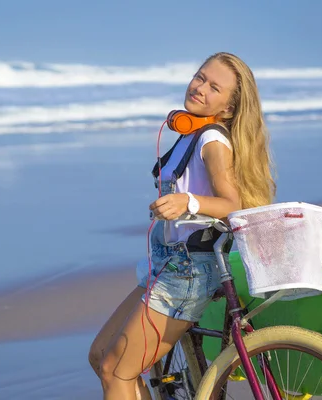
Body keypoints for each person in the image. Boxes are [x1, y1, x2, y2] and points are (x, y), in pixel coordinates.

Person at [88, 51, 276, 399]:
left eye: (214, 87)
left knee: (116, 372)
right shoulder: (191, 132)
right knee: (100, 356)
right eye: (200, 77)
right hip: (166, 263)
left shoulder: (212, 141)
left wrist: (187, 202)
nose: (200, 88)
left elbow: (233, 204)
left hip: (186, 271)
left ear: (229, 108)